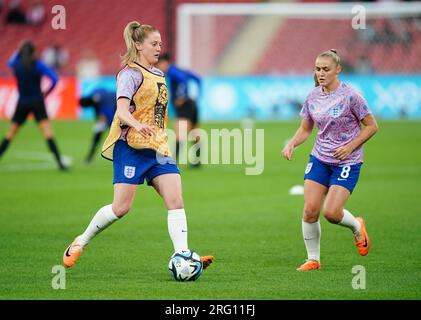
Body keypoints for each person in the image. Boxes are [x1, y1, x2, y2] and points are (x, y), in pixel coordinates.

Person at [63, 21, 214, 271]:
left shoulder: (159, 74)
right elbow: (122, 111)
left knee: (175, 199)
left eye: (160, 44)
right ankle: (80, 241)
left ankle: (183, 255)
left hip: (157, 148)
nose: (158, 48)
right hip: (131, 147)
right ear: (138, 45)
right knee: (121, 208)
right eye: (154, 44)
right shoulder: (129, 74)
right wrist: (138, 124)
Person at [282, 49, 378, 271]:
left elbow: (372, 126)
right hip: (319, 158)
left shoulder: (351, 96)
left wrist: (350, 147)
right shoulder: (313, 96)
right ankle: (313, 259)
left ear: (338, 70)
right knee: (309, 210)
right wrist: (292, 144)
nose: (321, 73)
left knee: (332, 213)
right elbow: (306, 128)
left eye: (326, 69)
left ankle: (356, 226)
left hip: (347, 161)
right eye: (317, 69)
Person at [0, 41, 68, 171]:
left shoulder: (16, 64)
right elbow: (54, 78)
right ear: (33, 52)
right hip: (37, 101)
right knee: (48, 132)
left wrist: (18, 51)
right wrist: (47, 93)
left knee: (10, 133)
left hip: (22, 102)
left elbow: (10, 61)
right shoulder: (38, 65)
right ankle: (59, 163)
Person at [156, 53, 202, 166]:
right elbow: (197, 79)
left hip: (185, 106)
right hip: (192, 104)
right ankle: (197, 160)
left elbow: (182, 81)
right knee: (194, 133)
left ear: (165, 63)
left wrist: (181, 96)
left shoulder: (172, 71)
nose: (159, 67)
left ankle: (172, 161)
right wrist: (198, 96)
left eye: (159, 64)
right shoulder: (179, 69)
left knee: (179, 132)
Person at [79, 87, 116, 163]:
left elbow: (110, 117)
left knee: (113, 136)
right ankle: (89, 158)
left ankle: (89, 158)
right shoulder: (95, 92)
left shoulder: (102, 104)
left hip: (115, 110)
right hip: (115, 102)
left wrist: (102, 124)